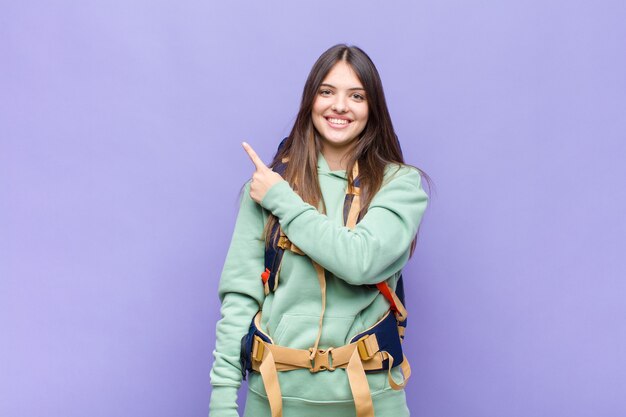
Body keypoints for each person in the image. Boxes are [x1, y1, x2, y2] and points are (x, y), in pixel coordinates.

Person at [209, 44, 429, 417]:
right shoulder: (267, 185)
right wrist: (221, 401)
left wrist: (283, 201)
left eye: (356, 95)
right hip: (275, 397)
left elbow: (363, 260)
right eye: (327, 92)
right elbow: (240, 300)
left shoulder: (401, 184)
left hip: (371, 400)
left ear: (372, 107)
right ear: (310, 100)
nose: (339, 106)